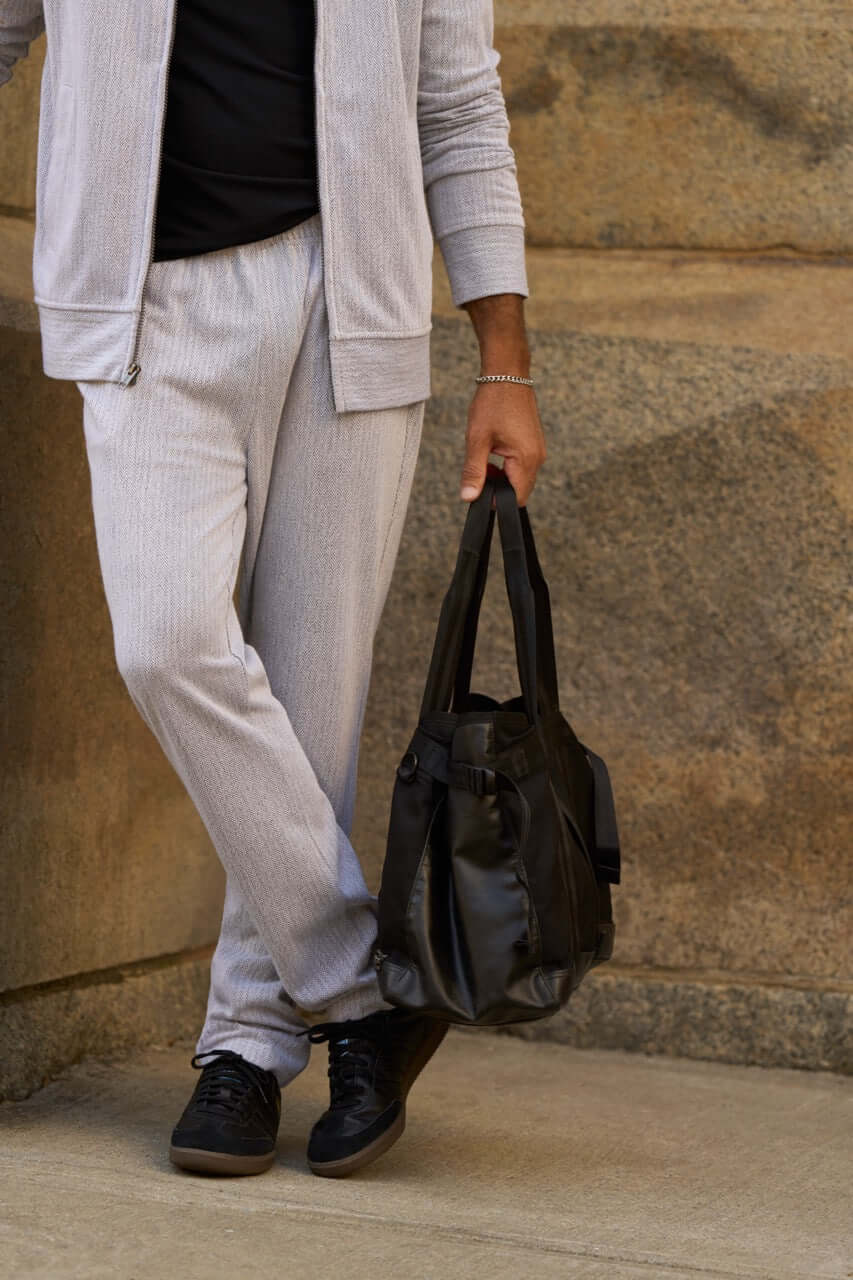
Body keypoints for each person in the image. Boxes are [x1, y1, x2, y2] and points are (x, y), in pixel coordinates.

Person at [0, 0, 546, 1178]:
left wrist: (502, 361)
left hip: (353, 301)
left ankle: (246, 1045)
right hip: (145, 303)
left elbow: (457, 104)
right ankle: (363, 991)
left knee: (311, 700)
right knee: (167, 642)